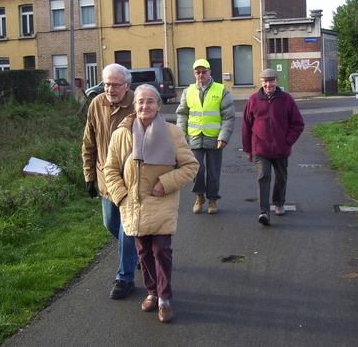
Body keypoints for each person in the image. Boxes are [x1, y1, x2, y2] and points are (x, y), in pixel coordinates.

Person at [104, 85, 199, 323]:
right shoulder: (121, 134)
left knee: (162, 251)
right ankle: (152, 292)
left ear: (158, 106)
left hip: (161, 201)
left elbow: (190, 166)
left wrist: (166, 182)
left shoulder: (172, 132)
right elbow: (110, 169)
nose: (144, 106)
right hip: (133, 203)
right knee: (143, 252)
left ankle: (165, 298)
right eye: (140, 102)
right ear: (134, 106)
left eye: (150, 102)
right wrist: (122, 196)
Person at [81, 63, 138, 299]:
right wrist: (89, 177)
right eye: (105, 84)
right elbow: (89, 142)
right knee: (109, 223)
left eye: (115, 84)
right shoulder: (96, 104)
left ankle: (125, 277)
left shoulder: (138, 103)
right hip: (106, 179)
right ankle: (138, 252)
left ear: (127, 85)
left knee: (126, 229)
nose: (109, 89)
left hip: (130, 181)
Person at [242, 68, 304, 226]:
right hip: (260, 148)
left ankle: (279, 202)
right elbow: (246, 126)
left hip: (281, 148)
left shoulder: (287, 99)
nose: (268, 84)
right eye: (265, 81)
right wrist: (248, 149)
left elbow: (298, 123)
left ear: (277, 81)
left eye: (271, 81)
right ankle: (264, 211)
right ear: (261, 82)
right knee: (264, 176)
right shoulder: (253, 100)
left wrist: (287, 141)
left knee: (281, 177)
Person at [176, 59, 235, 214]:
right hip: (194, 138)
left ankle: (213, 200)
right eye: (197, 72)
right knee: (197, 169)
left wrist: (223, 137)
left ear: (210, 72)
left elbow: (228, 117)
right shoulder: (188, 91)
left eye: (203, 71)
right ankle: (199, 196)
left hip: (215, 139)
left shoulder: (221, 90)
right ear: (194, 74)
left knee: (213, 172)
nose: (200, 75)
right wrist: (181, 131)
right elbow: (182, 113)